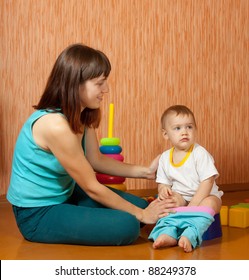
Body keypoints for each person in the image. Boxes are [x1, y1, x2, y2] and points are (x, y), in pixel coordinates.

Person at [7, 43, 173, 246]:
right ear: (75, 83)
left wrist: (146, 171)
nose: (107, 89)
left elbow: (96, 160)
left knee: (137, 205)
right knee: (128, 225)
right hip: (37, 212)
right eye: (100, 82)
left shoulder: (81, 114)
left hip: (66, 194)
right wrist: (142, 215)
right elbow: (91, 187)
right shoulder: (55, 126)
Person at [149, 105, 223, 252]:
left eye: (189, 127)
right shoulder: (164, 158)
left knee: (211, 202)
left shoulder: (199, 153)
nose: (184, 132)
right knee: (165, 202)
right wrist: (164, 191)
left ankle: (191, 234)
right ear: (166, 134)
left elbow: (207, 181)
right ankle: (167, 232)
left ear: (195, 129)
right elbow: (163, 182)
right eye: (177, 128)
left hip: (205, 195)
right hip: (181, 197)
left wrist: (194, 205)